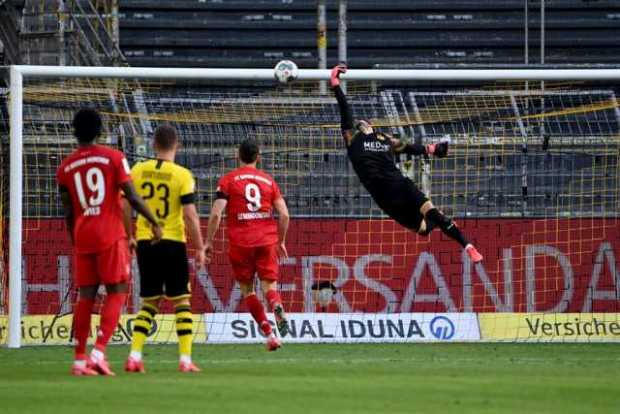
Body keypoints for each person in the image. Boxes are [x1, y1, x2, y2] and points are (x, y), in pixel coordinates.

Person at [330, 65, 483, 263]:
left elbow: (407, 146)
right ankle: (453, 232)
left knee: (430, 218)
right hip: (397, 190)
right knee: (425, 227)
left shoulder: (373, 140)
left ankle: (467, 245)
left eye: (364, 122)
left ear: (370, 126)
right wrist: (335, 85)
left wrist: (432, 149)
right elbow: (347, 111)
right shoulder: (366, 140)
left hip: (387, 196)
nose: (362, 124)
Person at [56, 108, 162, 376]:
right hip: (110, 232)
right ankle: (99, 352)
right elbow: (133, 198)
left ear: (74, 131)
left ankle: (79, 360)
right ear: (100, 131)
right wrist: (153, 221)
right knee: (117, 291)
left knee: (86, 297)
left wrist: (74, 238)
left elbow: (68, 211)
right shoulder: (114, 158)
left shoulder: (65, 167)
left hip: (83, 235)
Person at [124, 124, 205, 373]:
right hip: (172, 242)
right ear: (176, 145)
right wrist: (200, 247)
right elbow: (190, 215)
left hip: (145, 242)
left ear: (153, 145)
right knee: (181, 300)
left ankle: (135, 356)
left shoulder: (138, 170)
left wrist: (129, 235)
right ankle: (185, 359)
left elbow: (125, 206)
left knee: (150, 300)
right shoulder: (182, 175)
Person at [205, 139, 290, 351]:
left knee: (248, 291)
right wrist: (281, 241)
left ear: (237, 155)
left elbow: (216, 214)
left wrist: (208, 241)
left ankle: (270, 335)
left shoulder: (228, 180)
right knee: (269, 286)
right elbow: (285, 215)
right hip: (267, 240)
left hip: (241, 242)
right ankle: (276, 305)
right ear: (258, 157)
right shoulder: (269, 181)